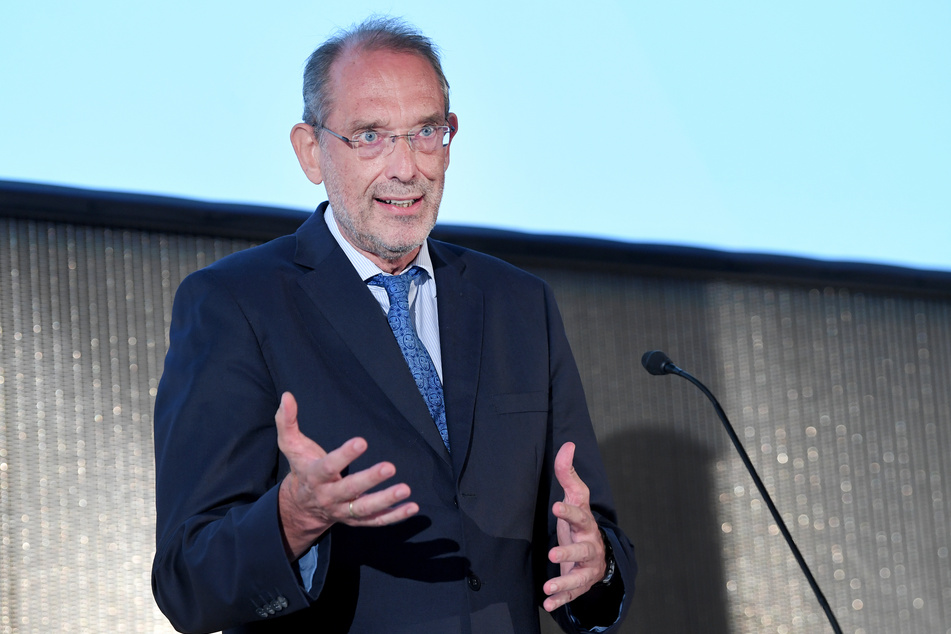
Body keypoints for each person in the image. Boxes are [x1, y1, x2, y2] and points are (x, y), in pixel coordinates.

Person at [151, 16, 635, 634]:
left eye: (425, 131)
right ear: (310, 151)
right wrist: (292, 518)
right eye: (370, 136)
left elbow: (594, 537)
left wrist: (597, 567)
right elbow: (186, 584)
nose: (406, 168)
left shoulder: (520, 304)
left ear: (450, 135)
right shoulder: (234, 303)